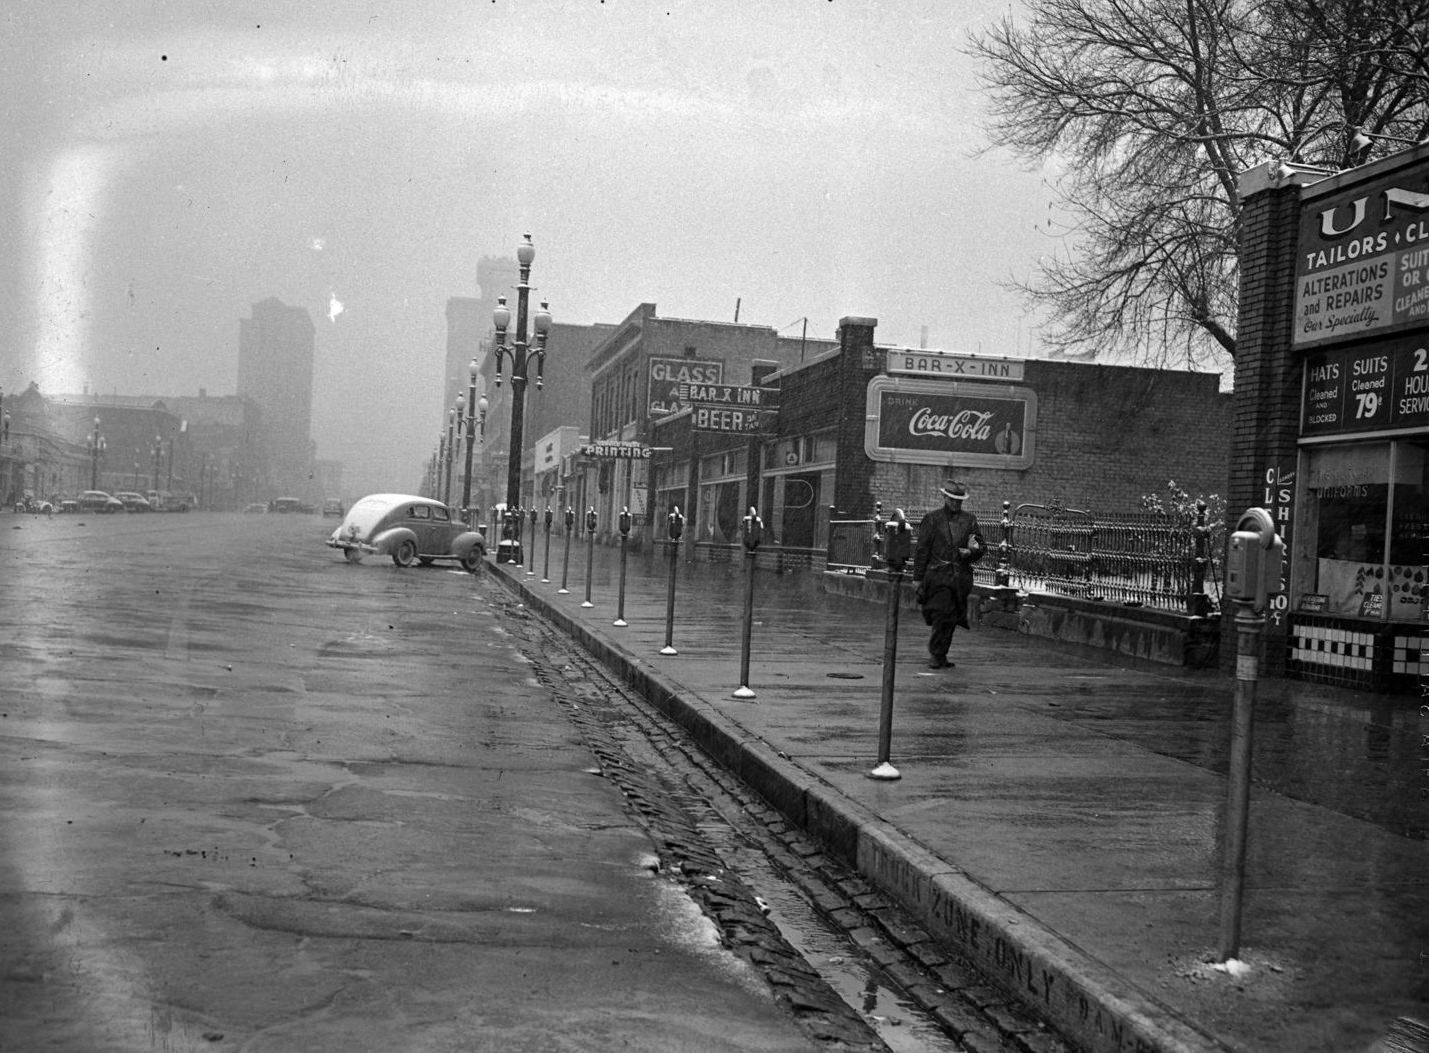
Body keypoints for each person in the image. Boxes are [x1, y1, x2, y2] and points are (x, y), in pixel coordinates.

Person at [912, 480, 985, 669]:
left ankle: (942, 654)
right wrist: (917, 577)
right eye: (952, 499)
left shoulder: (970, 520)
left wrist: (970, 552)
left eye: (959, 500)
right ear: (945, 497)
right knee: (941, 614)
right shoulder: (932, 519)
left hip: (959, 578)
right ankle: (936, 653)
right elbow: (922, 550)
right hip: (937, 576)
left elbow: (980, 546)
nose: (955, 503)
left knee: (952, 618)